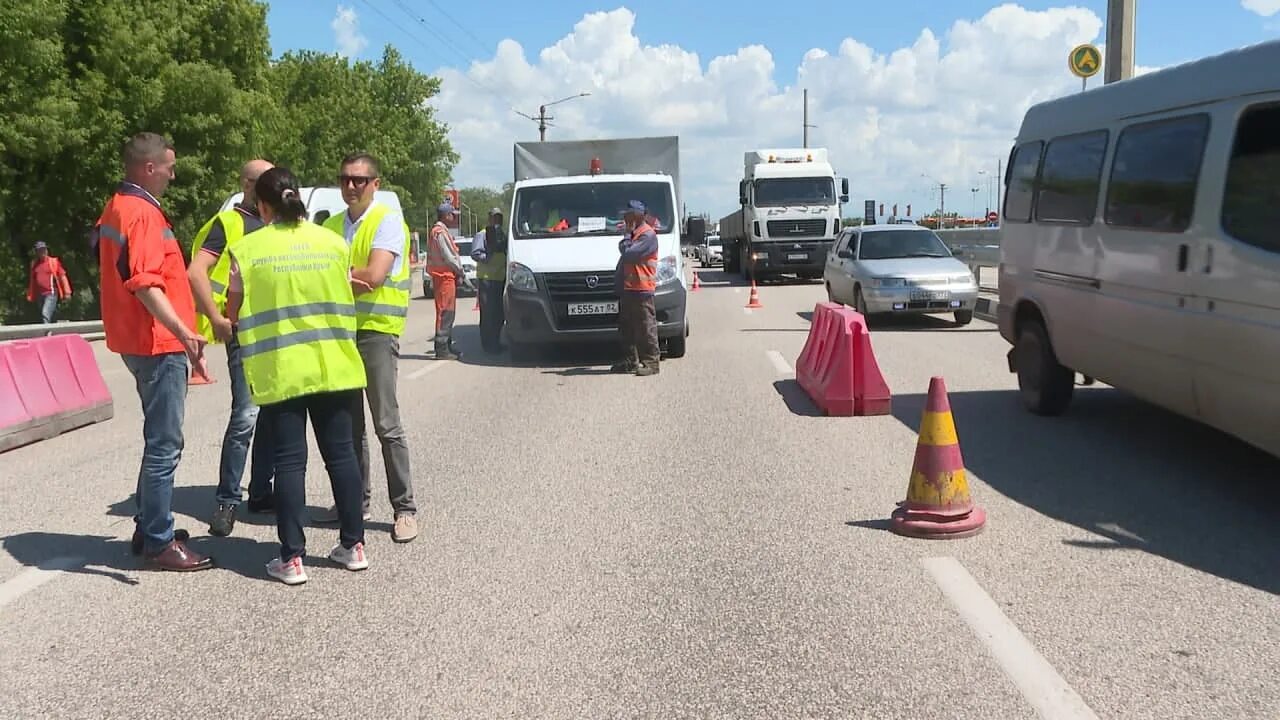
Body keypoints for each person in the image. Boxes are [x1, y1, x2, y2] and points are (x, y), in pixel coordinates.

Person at [225, 166, 369, 585]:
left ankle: (292, 559)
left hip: (283, 370)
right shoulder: (333, 243)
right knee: (341, 455)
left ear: (263, 206)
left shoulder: (249, 249)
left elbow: (234, 312)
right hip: (335, 364)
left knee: (290, 463)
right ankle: (353, 546)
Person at [95, 132, 212, 571]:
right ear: (149, 168)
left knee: (157, 439)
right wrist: (184, 331)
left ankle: (150, 525)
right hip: (156, 342)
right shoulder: (142, 213)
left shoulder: (117, 206)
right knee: (165, 443)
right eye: (169, 166)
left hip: (133, 339)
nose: (173, 173)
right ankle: (160, 541)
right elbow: (144, 282)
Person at [320, 152, 420, 543]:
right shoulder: (329, 225)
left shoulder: (386, 221)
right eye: (345, 178)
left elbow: (376, 276)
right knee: (349, 427)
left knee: (386, 424)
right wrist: (350, 278)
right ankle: (354, 502)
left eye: (359, 180)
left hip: (377, 330)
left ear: (375, 184)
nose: (350, 186)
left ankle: (405, 508)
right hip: (340, 331)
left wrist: (340, 277)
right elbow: (322, 277)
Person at [188, 159, 276, 537]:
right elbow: (196, 272)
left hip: (276, 332)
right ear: (246, 183)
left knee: (273, 414)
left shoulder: (277, 222)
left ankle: (260, 491)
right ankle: (227, 501)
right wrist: (217, 319)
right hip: (243, 333)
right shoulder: (230, 223)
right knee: (245, 416)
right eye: (263, 181)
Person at [612, 200, 661, 377]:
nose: (625, 218)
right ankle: (630, 361)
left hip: (642, 289)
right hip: (629, 289)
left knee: (645, 327)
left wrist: (625, 236)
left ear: (638, 215)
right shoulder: (634, 234)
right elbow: (624, 250)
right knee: (627, 327)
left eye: (628, 215)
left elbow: (628, 254)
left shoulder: (647, 235)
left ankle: (651, 362)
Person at [426, 203, 466, 360]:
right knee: (445, 313)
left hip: (443, 277)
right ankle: (442, 349)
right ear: (445, 215)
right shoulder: (440, 232)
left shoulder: (439, 231)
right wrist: (460, 271)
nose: (454, 217)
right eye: (452, 214)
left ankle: (446, 345)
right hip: (444, 277)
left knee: (447, 312)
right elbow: (449, 256)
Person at [471, 207, 507, 354]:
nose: (497, 220)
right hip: (487, 279)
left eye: (499, 217)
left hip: (500, 279)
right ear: (489, 218)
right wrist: (489, 256)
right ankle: (488, 345)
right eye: (494, 217)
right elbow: (475, 253)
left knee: (499, 314)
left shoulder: (502, 234)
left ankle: (496, 342)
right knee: (488, 314)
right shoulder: (482, 235)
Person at [27, 242, 72, 324]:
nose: (42, 252)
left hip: (51, 293)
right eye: (40, 250)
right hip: (40, 295)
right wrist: (31, 294)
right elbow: (33, 281)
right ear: (36, 252)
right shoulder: (34, 264)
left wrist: (67, 292)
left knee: (45, 313)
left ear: (47, 250)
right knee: (49, 314)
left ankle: (47, 333)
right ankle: (59, 325)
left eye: (44, 249)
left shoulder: (53, 262)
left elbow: (62, 276)